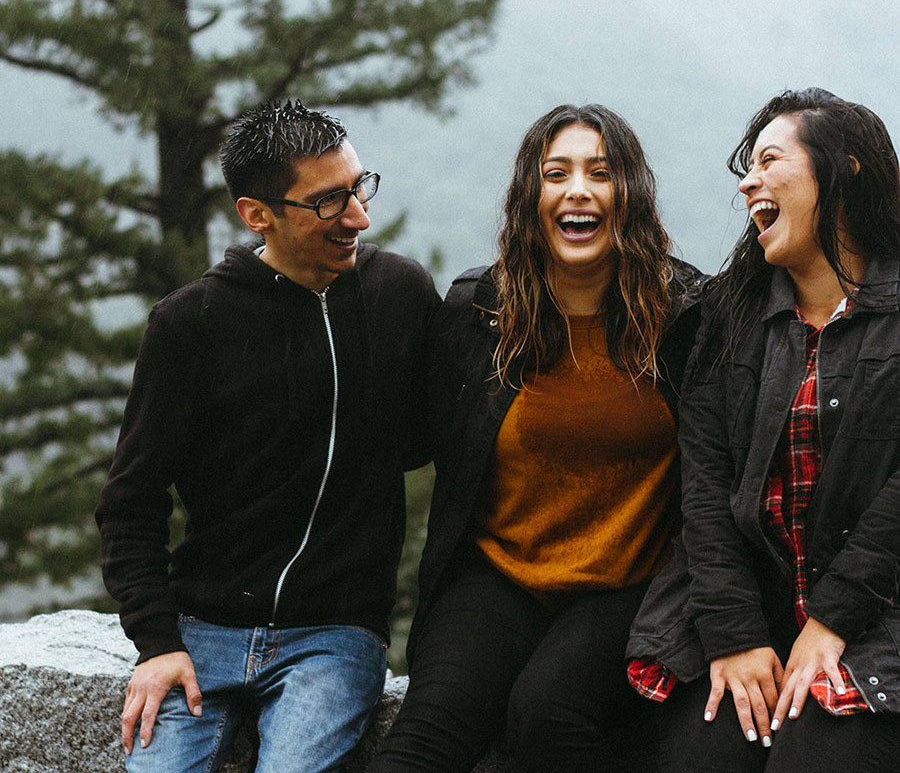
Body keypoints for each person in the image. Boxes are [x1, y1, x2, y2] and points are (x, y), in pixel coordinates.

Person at [95, 99, 440, 773]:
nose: (360, 217)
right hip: (200, 634)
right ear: (258, 214)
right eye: (330, 201)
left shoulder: (399, 294)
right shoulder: (189, 324)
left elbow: (444, 434)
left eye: (360, 187)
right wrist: (157, 640)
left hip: (335, 636)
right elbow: (130, 501)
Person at [367, 103, 704, 773]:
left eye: (600, 172)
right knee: (422, 738)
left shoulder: (686, 320)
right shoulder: (479, 314)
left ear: (628, 194)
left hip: (629, 583)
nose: (578, 189)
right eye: (557, 173)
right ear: (533, 196)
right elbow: (400, 444)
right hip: (500, 575)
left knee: (546, 712)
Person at [627, 87, 900, 772]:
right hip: (757, 613)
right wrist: (735, 633)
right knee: (703, 755)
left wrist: (832, 620)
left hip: (878, 618)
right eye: (746, 166)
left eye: (770, 158)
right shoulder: (725, 317)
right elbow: (706, 490)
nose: (747, 179)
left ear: (846, 168)